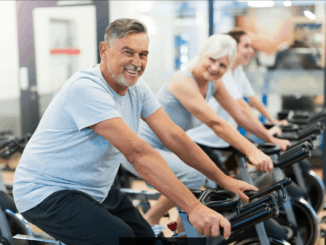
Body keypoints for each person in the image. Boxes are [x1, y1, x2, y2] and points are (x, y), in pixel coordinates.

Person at [13, 18, 258, 244]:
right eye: (128, 52)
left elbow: (173, 136)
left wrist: (224, 180)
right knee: (120, 238)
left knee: (144, 238)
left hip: (92, 188)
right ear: (104, 50)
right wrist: (194, 208)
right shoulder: (86, 88)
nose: (137, 62)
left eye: (143, 55)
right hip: (46, 191)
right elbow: (137, 152)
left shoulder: (136, 89)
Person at [121, 33, 291, 232]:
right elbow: (215, 123)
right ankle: (150, 218)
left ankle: (182, 234)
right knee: (193, 176)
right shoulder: (182, 82)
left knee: (202, 189)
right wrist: (251, 151)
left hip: (168, 149)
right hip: (142, 148)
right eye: (212, 60)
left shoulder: (213, 83)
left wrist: (271, 139)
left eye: (222, 66)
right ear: (201, 54)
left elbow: (240, 115)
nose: (215, 68)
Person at [186, 28, 288, 175]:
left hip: (224, 137)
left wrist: (271, 120)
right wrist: (267, 134)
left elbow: (252, 98)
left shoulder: (237, 71)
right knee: (220, 180)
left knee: (238, 169)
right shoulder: (222, 75)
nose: (251, 51)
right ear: (232, 48)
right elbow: (241, 108)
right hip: (203, 137)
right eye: (246, 46)